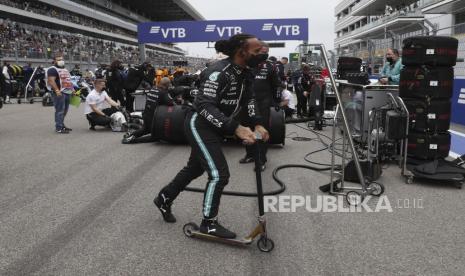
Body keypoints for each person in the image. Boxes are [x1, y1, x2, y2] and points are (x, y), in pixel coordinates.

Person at [153, 34, 269, 239]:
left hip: (216, 126)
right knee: (219, 175)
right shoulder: (217, 72)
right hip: (199, 124)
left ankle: (164, 197)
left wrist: (258, 122)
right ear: (241, 52)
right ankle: (209, 223)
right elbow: (204, 105)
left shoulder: (245, 72)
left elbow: (250, 99)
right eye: (258, 50)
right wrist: (236, 128)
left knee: (194, 168)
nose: (263, 52)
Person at [239, 43, 282, 171]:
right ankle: (250, 155)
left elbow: (277, 85)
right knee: (247, 129)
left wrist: (277, 101)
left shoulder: (271, 66)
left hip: (263, 104)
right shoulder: (245, 64)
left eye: (266, 51)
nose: (263, 54)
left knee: (260, 132)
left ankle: (261, 159)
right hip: (246, 103)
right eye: (260, 51)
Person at [122, 77, 174, 143]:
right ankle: (133, 140)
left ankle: (131, 135)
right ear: (167, 85)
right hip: (154, 118)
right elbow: (171, 103)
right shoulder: (163, 93)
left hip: (146, 115)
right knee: (155, 137)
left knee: (145, 130)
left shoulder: (152, 89)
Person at [46, 53, 75, 134]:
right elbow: (51, 81)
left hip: (67, 91)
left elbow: (68, 80)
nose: (61, 61)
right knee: (60, 110)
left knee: (65, 110)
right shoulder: (52, 69)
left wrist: (72, 89)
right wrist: (57, 90)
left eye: (62, 59)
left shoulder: (65, 69)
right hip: (59, 93)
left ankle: (61, 124)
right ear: (54, 61)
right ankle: (58, 127)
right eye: (59, 60)